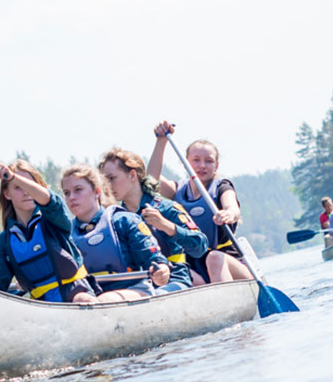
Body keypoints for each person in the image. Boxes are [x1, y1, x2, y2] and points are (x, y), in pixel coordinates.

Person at [101, 148, 239, 287]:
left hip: (175, 279)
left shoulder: (166, 208)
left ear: (132, 175)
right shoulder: (116, 220)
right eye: (104, 180)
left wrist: (166, 226)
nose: (108, 185)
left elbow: (200, 246)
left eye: (112, 178)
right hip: (141, 285)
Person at [148, 122, 255, 282]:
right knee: (174, 271)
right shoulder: (177, 191)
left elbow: (232, 208)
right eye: (196, 160)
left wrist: (228, 214)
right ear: (186, 163)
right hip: (195, 266)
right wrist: (161, 141)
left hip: (228, 262)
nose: (202, 166)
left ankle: (228, 301)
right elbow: (151, 179)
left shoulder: (222, 187)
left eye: (209, 161)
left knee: (214, 258)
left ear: (216, 166)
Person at [0, 160, 96, 304]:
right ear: (7, 194)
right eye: (18, 187)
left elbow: (48, 200)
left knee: (83, 299)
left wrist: (12, 177)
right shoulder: (3, 242)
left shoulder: (54, 219)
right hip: (40, 307)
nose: (26, 192)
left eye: (29, 186)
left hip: (77, 294)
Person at [58, 164, 177, 301]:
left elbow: (154, 260)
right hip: (93, 295)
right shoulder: (66, 235)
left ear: (97, 192)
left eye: (78, 190)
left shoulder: (124, 221)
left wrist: (161, 271)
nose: (71, 197)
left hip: (135, 290)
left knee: (104, 300)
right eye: (66, 193)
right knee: (80, 299)